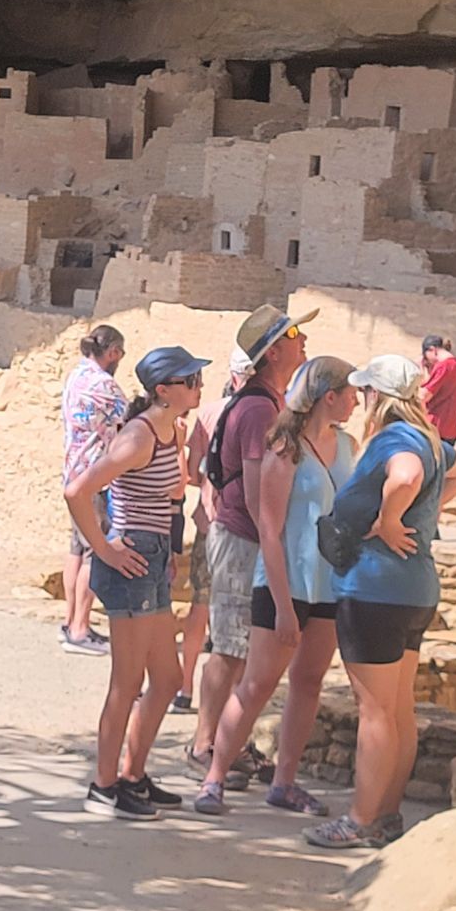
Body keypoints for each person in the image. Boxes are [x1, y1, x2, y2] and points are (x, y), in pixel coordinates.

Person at [305, 367, 456, 849]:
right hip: (415, 588)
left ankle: (359, 820)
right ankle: (386, 813)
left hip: (374, 587)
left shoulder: (394, 438)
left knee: (374, 712)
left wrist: (389, 518)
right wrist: (429, 511)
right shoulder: (430, 437)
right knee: (398, 710)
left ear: (378, 394)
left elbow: (407, 476)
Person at [192, 355, 358, 817]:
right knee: (258, 683)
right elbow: (270, 528)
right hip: (285, 582)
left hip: (326, 583)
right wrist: (284, 607)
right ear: (329, 396)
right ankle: (214, 776)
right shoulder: (286, 449)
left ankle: (285, 780)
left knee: (308, 681)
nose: (356, 400)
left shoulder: (346, 446)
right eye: (350, 392)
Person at [66, 345, 208, 819]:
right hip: (130, 560)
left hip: (152, 560)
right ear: (163, 391)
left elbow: (170, 494)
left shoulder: (170, 431)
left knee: (167, 678)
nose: (198, 387)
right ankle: (104, 786)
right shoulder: (139, 437)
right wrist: (103, 548)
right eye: (190, 381)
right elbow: (78, 490)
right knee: (126, 683)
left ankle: (133, 774)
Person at [188, 305, 314, 788]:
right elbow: (263, 492)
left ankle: (223, 741)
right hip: (242, 539)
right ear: (274, 351)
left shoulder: (263, 400)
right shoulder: (261, 408)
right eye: (296, 335)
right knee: (231, 647)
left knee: (235, 645)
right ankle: (206, 743)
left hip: (238, 534)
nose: (305, 342)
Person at [172, 347, 247, 713]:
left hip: (210, 520)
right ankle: (229, 697)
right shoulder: (271, 414)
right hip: (247, 529)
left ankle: (186, 688)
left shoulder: (208, 414)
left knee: (200, 606)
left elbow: (191, 474)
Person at [60, 325, 127, 656]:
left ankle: (69, 620)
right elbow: (130, 420)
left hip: (72, 471)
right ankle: (80, 628)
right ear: (112, 351)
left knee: (75, 549)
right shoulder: (105, 385)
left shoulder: (75, 376)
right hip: (95, 477)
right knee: (94, 551)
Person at [419, 334, 456, 445]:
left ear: (432, 350)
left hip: (437, 427)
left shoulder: (444, 366)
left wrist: (421, 373)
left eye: (426, 357)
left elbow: (424, 396)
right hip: (450, 428)